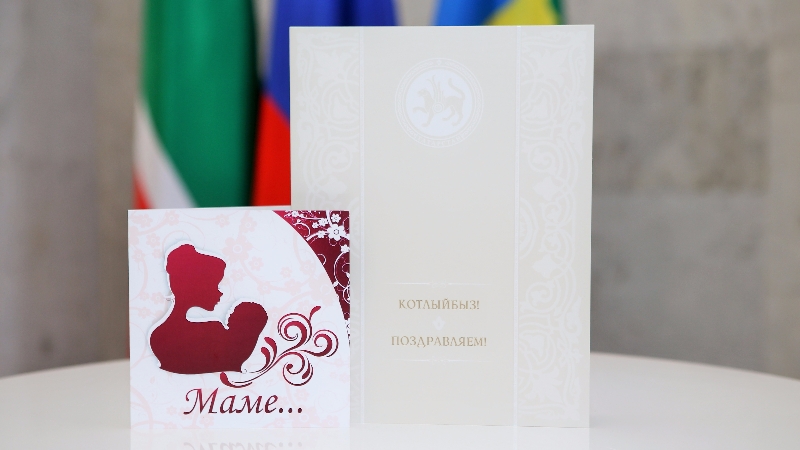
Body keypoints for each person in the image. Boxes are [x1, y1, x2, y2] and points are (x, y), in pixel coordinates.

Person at [150, 244, 268, 374]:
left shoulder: (159, 337)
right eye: (215, 285)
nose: (220, 292)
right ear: (194, 288)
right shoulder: (212, 331)